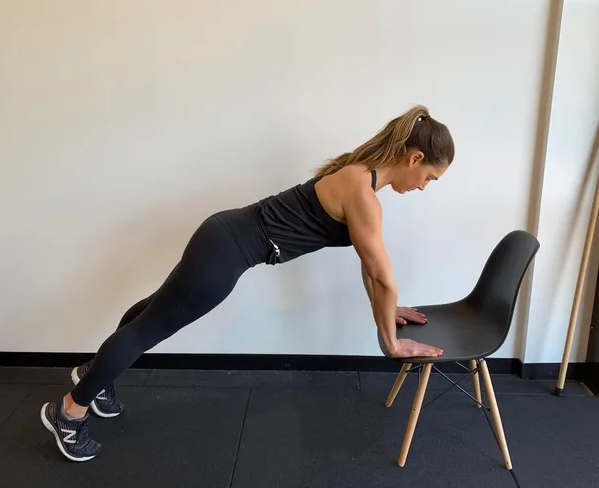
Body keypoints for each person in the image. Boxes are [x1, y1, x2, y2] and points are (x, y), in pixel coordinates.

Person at [40, 104, 455, 462]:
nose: (423, 187)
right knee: (150, 326)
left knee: (153, 310)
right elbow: (382, 276)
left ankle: (96, 376)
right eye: (430, 178)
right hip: (228, 250)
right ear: (415, 158)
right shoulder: (362, 193)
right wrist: (391, 343)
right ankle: (70, 412)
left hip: (225, 237)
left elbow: (372, 272)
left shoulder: (359, 176)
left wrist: (386, 313)